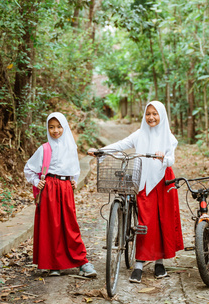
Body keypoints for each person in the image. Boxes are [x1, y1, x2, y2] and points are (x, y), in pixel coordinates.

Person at [89, 100, 183, 283]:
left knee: (162, 220)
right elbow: (121, 144)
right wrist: (100, 151)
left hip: (164, 180)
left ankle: (159, 262)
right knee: (145, 222)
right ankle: (139, 263)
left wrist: (164, 157)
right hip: (143, 180)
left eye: (155, 114)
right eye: (148, 114)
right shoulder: (139, 134)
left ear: (162, 115)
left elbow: (171, 158)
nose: (151, 117)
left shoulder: (168, 137)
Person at [24, 112, 97, 278]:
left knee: (69, 225)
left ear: (64, 127)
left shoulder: (70, 146)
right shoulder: (44, 149)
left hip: (65, 189)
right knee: (52, 226)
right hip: (49, 188)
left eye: (58, 127)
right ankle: (53, 264)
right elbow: (28, 168)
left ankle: (81, 261)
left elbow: (74, 168)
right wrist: (37, 182)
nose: (55, 130)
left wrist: (73, 180)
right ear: (47, 129)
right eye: (51, 127)